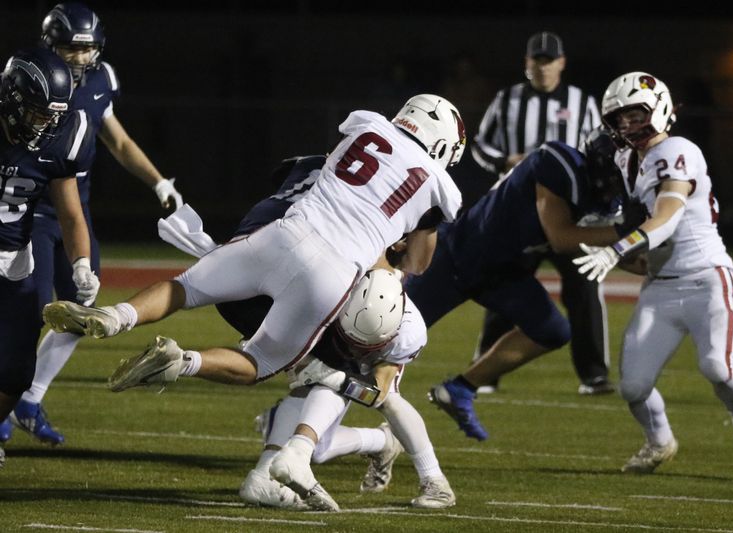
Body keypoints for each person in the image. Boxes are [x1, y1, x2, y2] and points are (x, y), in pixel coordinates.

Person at [43, 94, 465, 391]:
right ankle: (183, 361)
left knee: (185, 287)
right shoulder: (439, 186)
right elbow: (417, 263)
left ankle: (115, 316)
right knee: (261, 361)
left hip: (284, 234)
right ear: (443, 144)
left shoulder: (365, 125)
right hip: (334, 273)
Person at [152, 156, 454, 511]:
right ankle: (351, 448)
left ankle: (434, 480)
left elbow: (380, 394)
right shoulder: (335, 237)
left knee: (343, 390)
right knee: (317, 425)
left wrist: (338, 376)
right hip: (324, 285)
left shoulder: (405, 324)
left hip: (364, 299)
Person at [572, 72, 733, 473]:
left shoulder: (677, 149)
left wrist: (616, 249)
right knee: (633, 386)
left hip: (706, 278)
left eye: (635, 115)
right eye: (619, 118)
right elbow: (635, 219)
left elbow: (667, 218)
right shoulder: (624, 159)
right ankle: (659, 441)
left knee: (717, 367)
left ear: (660, 109)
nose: (627, 125)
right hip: (660, 286)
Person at [0, 2, 184, 446]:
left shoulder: (97, 87)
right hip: (27, 216)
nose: (81, 58)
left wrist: (158, 181)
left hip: (68, 210)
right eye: (71, 48)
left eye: (87, 49)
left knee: (82, 306)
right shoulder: (24, 87)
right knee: (28, 311)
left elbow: (117, 142)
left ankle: (27, 398)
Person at [413, 130, 645, 441]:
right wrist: (623, 232)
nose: (620, 184)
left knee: (552, 330)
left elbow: (599, 244)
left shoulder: (598, 197)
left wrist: (647, 258)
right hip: (457, 258)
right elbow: (561, 237)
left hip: (502, 272)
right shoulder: (556, 163)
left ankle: (460, 389)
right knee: (386, 335)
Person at [238, 270, 454, 511]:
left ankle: (434, 480)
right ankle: (382, 441)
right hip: (332, 331)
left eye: (364, 346)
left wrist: (333, 376)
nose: (356, 351)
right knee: (318, 448)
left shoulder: (408, 333)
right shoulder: (328, 292)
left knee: (390, 400)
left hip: (372, 360)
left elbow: (377, 394)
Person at [470, 31, 610, 396]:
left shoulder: (583, 102)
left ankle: (594, 375)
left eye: (549, 61)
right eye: (537, 60)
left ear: (561, 63)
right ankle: (485, 371)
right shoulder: (507, 100)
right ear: (527, 63)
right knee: (504, 286)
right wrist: (505, 161)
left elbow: (601, 148)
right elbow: (480, 145)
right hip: (517, 212)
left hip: (568, 213)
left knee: (584, 286)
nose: (542, 67)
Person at [0, 47, 97, 466]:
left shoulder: (62, 137)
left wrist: (81, 263)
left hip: (13, 262)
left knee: (18, 372)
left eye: (52, 116)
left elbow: (71, 213)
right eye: (38, 113)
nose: (45, 125)